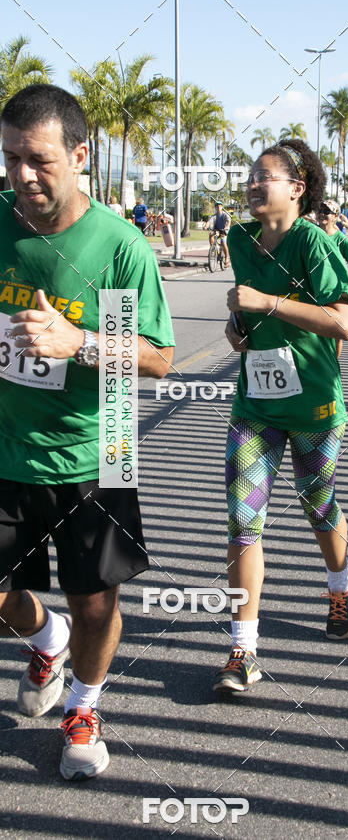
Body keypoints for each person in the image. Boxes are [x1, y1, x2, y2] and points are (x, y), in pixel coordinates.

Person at [0, 85, 175, 780]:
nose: (20, 175)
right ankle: (46, 636)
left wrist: (81, 342)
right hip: (8, 442)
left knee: (95, 600)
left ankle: (84, 702)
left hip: (102, 447)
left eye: (37, 160)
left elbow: (158, 358)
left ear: (79, 156)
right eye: (9, 158)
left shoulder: (120, 247)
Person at [214, 138, 348, 694]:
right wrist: (237, 330)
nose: (252, 184)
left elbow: (343, 323)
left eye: (265, 176)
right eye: (250, 175)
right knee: (242, 521)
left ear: (296, 189)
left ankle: (340, 583)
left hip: (316, 406)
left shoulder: (312, 243)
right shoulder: (238, 236)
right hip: (254, 405)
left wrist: (265, 303)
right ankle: (242, 650)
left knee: (317, 504)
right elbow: (243, 315)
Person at [317, 199, 348, 295]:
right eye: (320, 211)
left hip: (332, 291)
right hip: (312, 289)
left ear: (335, 217)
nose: (322, 214)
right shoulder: (311, 233)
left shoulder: (341, 239)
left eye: (326, 211)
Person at [208, 201, 232, 267]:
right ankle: (213, 249)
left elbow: (228, 222)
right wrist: (205, 226)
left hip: (224, 231)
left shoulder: (225, 215)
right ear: (215, 208)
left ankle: (227, 258)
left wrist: (226, 227)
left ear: (222, 207)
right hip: (217, 231)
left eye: (220, 206)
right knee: (211, 235)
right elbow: (209, 221)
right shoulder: (214, 216)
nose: (218, 207)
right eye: (217, 206)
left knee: (223, 242)